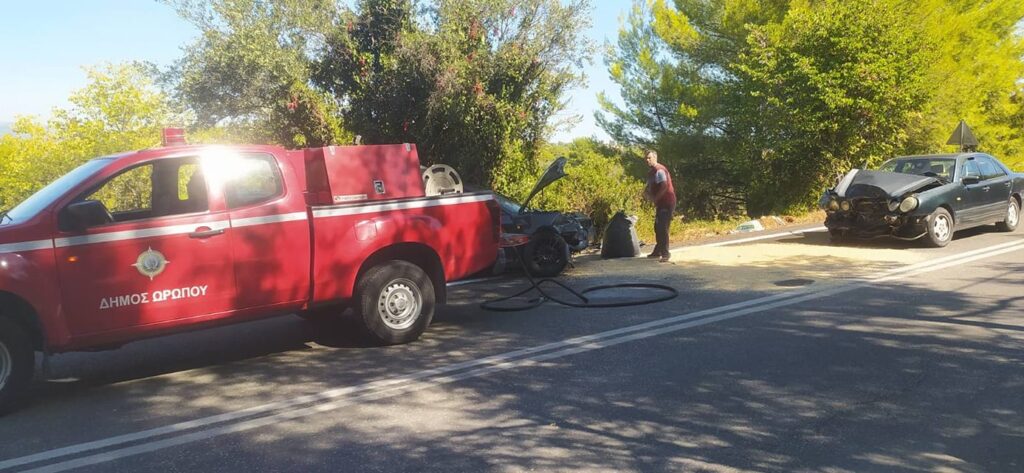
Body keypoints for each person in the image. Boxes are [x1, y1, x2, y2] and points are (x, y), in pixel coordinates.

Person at [642, 150, 676, 262]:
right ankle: (658, 251)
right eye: (646, 158)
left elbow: (664, 186)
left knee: (662, 228)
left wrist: (655, 198)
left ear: (655, 158)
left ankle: (665, 254)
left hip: (666, 202)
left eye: (649, 158)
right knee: (658, 228)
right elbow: (650, 187)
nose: (647, 160)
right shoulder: (651, 173)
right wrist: (647, 195)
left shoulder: (659, 170)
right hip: (660, 203)